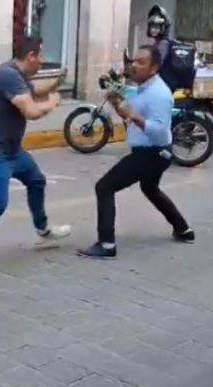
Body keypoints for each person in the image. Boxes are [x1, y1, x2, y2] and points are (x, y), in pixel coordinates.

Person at [0, 37, 71, 277]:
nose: (42, 62)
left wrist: (56, 83)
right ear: (30, 56)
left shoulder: (18, 76)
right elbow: (31, 110)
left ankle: (43, 231)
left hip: (13, 151)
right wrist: (52, 103)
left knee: (36, 180)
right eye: (40, 56)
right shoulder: (8, 76)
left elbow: (33, 91)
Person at [78, 45, 193, 259]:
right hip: (152, 153)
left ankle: (107, 244)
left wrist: (133, 116)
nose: (133, 65)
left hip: (152, 153)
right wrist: (117, 104)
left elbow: (158, 132)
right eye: (133, 61)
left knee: (104, 187)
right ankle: (183, 229)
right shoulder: (140, 89)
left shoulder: (159, 94)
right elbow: (131, 116)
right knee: (150, 188)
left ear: (154, 67)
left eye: (141, 62)